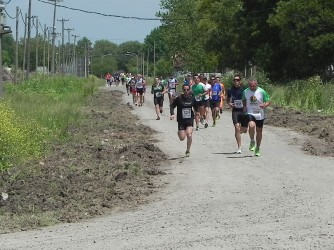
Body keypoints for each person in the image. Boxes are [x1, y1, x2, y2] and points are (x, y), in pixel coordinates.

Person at [242, 78, 271, 156]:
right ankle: (252, 141)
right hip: (250, 112)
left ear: (256, 84)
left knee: (259, 131)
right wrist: (244, 107)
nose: (252, 87)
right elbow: (244, 99)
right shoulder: (245, 91)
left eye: (253, 86)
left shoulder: (262, 91)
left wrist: (265, 105)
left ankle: (258, 147)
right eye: (250, 86)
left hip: (259, 113)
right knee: (251, 125)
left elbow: (268, 101)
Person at [170, 84, 194, 157]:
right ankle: (180, 133)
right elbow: (172, 106)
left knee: (189, 135)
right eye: (184, 90)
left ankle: (188, 150)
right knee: (182, 138)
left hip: (189, 119)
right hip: (181, 120)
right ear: (182, 90)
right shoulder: (179, 98)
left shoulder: (192, 98)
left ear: (189, 90)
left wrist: (198, 112)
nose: (186, 91)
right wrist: (172, 114)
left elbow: (196, 107)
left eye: (187, 90)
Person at [226, 74, 247, 153]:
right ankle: (239, 147)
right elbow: (227, 99)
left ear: (240, 81)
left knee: (244, 130)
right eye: (234, 80)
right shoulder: (230, 89)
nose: (236, 81)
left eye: (237, 80)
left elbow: (248, 99)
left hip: (243, 111)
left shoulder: (244, 89)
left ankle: (242, 130)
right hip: (235, 111)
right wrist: (229, 104)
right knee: (237, 127)